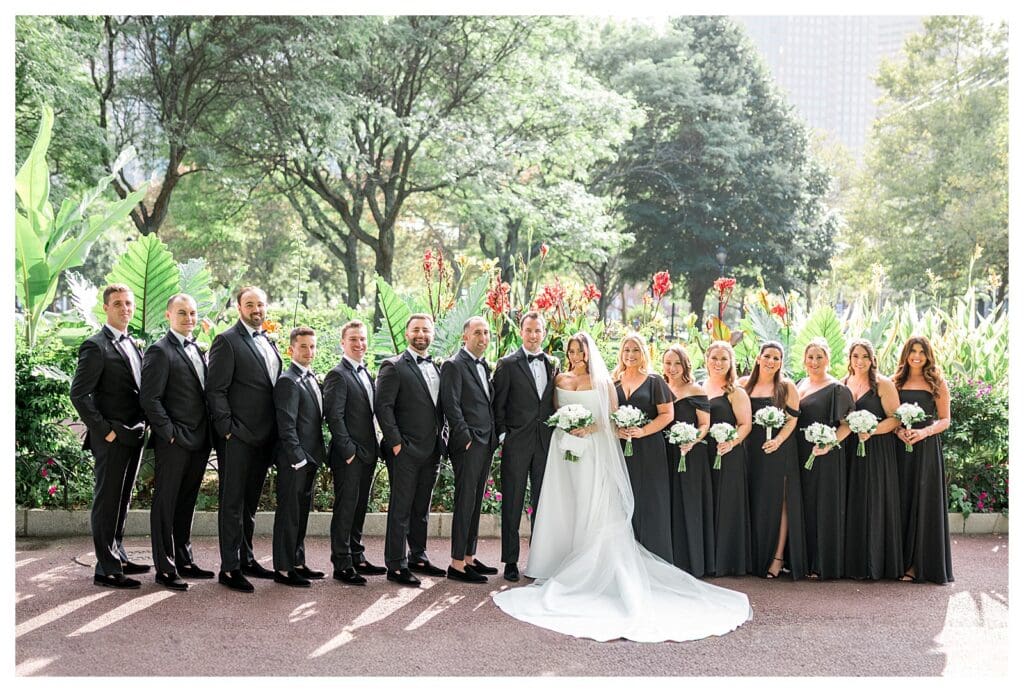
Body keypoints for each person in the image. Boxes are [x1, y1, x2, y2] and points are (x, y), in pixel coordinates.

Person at [492, 333, 751, 642]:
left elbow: (610, 415)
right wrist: (565, 425)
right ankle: (554, 559)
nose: (575, 354)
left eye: (580, 350)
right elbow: (547, 411)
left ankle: (593, 565)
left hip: (605, 448)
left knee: (596, 504)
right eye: (571, 350)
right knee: (563, 504)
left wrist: (604, 427)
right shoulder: (560, 375)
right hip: (565, 449)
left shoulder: (621, 381)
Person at [70, 284, 149, 589]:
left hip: (135, 435)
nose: (125, 308)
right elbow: (79, 394)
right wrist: (106, 431)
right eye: (118, 304)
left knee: (123, 499)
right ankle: (105, 569)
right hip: (113, 437)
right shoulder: (95, 345)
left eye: (128, 303)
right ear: (106, 308)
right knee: (107, 500)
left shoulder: (134, 344)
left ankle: (118, 554)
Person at [206, 286, 282, 593]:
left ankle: (247, 558)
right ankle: (229, 567)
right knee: (232, 503)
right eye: (250, 304)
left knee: (250, 504)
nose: (256, 309)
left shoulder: (270, 341)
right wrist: (227, 429)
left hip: (265, 437)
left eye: (261, 304)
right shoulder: (227, 340)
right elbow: (216, 390)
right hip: (237, 437)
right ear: (239, 308)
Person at [140, 294, 214, 591]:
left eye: (193, 313)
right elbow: (150, 398)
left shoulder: (197, 347)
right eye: (182, 313)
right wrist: (168, 432)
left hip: (199, 439)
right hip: (174, 441)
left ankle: (184, 559)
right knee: (166, 504)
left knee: (186, 503)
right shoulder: (160, 351)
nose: (189, 318)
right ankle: (165, 568)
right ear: (169, 315)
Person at [375, 314, 447, 587]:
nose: (421, 334)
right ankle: (396, 564)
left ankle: (418, 556)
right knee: (401, 508)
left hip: (431, 451)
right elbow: (383, 407)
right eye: (416, 330)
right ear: (407, 334)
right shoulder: (392, 366)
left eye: (426, 330)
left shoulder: (437, 367)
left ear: (432, 334)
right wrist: (396, 444)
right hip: (404, 450)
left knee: (421, 509)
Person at [491, 311, 559, 582]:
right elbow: (499, 406)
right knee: (512, 501)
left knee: (543, 502)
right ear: (521, 332)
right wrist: (505, 436)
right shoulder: (507, 364)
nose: (533, 335)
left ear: (544, 333)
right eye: (528, 330)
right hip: (517, 444)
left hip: (545, 443)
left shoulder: (553, 364)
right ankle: (510, 561)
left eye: (537, 330)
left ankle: (540, 560)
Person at [322, 320, 387, 585]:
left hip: (367, 453)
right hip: (349, 456)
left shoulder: (365, 372)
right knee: (346, 508)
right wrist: (348, 450)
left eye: (362, 339)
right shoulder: (338, 374)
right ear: (343, 343)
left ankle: (356, 555)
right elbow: (333, 417)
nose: (359, 344)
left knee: (359, 507)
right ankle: (341, 562)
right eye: (353, 340)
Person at [738, 341, 807, 580]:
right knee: (755, 500)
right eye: (767, 356)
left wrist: (777, 441)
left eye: (777, 358)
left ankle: (777, 557)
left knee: (781, 501)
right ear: (758, 358)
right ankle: (753, 555)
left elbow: (792, 420)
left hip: (778, 450)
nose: (771, 361)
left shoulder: (786, 387)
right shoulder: (743, 386)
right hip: (750, 450)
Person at [440, 316, 499, 583]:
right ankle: (456, 563)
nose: (483, 337)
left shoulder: (483, 365)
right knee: (465, 501)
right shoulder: (454, 365)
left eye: (486, 332)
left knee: (475, 501)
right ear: (466, 336)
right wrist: (465, 437)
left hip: (485, 442)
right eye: (477, 332)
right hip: (469, 443)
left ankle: (469, 557)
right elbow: (450, 405)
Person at [892, 335, 954, 584]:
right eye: (912, 351)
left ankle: (920, 565)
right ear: (906, 354)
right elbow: (890, 415)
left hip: (926, 449)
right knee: (900, 502)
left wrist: (924, 432)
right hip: (899, 448)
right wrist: (899, 432)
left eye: (921, 352)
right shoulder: (896, 381)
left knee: (923, 503)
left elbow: (945, 419)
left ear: (928, 355)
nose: (917, 356)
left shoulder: (937, 381)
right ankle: (898, 562)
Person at [842, 339, 903, 580]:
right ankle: (852, 563)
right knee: (853, 500)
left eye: (865, 356)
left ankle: (874, 563)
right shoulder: (844, 383)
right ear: (850, 359)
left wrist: (871, 430)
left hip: (876, 449)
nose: (860, 361)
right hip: (850, 448)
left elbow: (895, 418)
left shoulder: (883, 385)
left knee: (873, 501)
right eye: (856, 356)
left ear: (872, 359)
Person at [271, 327, 327, 587]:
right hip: (295, 460)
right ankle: (283, 569)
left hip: (310, 459)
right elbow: (286, 425)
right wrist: (298, 458)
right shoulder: (288, 380)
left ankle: (297, 561)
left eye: (312, 346)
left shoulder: (309, 377)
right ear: (291, 349)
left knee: (301, 513)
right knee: (289, 514)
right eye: (303, 346)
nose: (309, 351)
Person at [612, 333, 674, 562]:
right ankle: (625, 557)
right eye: (627, 350)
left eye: (635, 350)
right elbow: (607, 413)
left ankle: (653, 555)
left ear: (643, 353)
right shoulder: (613, 382)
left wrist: (643, 431)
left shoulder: (654, 381)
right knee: (622, 498)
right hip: (620, 447)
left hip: (649, 448)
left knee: (650, 499)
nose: (630, 354)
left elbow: (667, 414)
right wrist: (617, 430)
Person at [796, 338, 854, 580]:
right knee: (805, 505)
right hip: (801, 453)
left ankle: (823, 562)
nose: (814, 362)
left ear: (828, 359)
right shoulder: (800, 384)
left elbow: (847, 425)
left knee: (824, 505)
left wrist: (828, 444)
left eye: (819, 357)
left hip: (826, 456)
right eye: (810, 357)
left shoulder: (837, 389)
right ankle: (802, 559)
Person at [661, 345, 715, 578]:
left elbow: (705, 424)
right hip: (666, 453)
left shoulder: (695, 390)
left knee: (690, 502)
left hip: (690, 453)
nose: (672, 368)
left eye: (676, 364)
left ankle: (694, 560)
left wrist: (691, 440)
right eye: (668, 363)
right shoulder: (661, 387)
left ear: (685, 365)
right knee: (670, 502)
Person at [701, 340, 752, 577]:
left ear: (731, 362)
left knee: (727, 504)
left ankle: (727, 561)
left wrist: (730, 443)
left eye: (724, 359)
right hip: (704, 453)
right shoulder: (701, 387)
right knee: (709, 502)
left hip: (727, 453)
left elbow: (745, 425)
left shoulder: (735, 391)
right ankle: (709, 559)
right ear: (707, 360)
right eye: (714, 358)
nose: (718, 363)